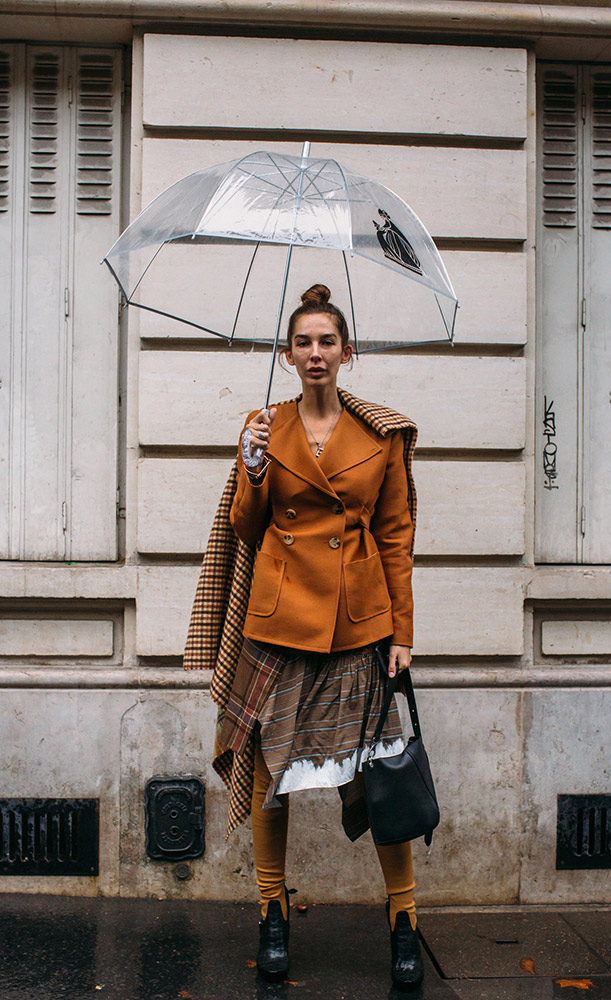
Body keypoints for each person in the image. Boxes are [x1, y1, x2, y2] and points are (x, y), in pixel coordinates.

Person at [185, 284, 422, 990]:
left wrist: (401, 633)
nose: (315, 353)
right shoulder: (263, 426)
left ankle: (403, 917)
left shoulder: (381, 436)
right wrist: (251, 469)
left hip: (356, 623)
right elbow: (245, 530)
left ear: (346, 353)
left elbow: (395, 537)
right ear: (286, 355)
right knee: (269, 778)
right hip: (279, 621)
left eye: (327, 341)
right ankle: (271, 908)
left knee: (380, 776)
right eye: (303, 342)